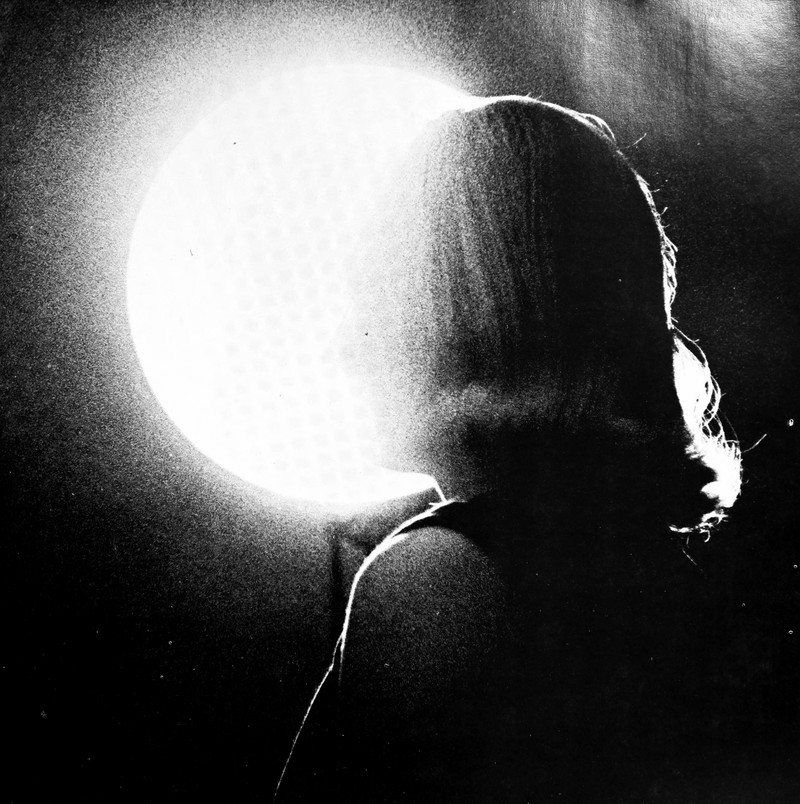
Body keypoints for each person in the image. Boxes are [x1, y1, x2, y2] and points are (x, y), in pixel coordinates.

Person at [276, 96, 741, 803]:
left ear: (474, 314)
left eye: (374, 300)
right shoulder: (645, 568)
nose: (342, 349)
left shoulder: (439, 576)